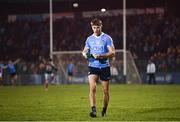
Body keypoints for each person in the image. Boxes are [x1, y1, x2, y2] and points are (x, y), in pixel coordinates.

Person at [82, 18, 115, 117]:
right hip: (93, 66)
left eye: (98, 27)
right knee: (92, 88)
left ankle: (104, 110)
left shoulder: (107, 38)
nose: (96, 29)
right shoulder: (89, 39)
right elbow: (84, 52)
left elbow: (112, 53)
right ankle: (93, 110)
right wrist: (88, 55)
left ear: (101, 27)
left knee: (105, 91)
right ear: (92, 27)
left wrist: (102, 56)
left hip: (105, 66)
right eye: (94, 27)